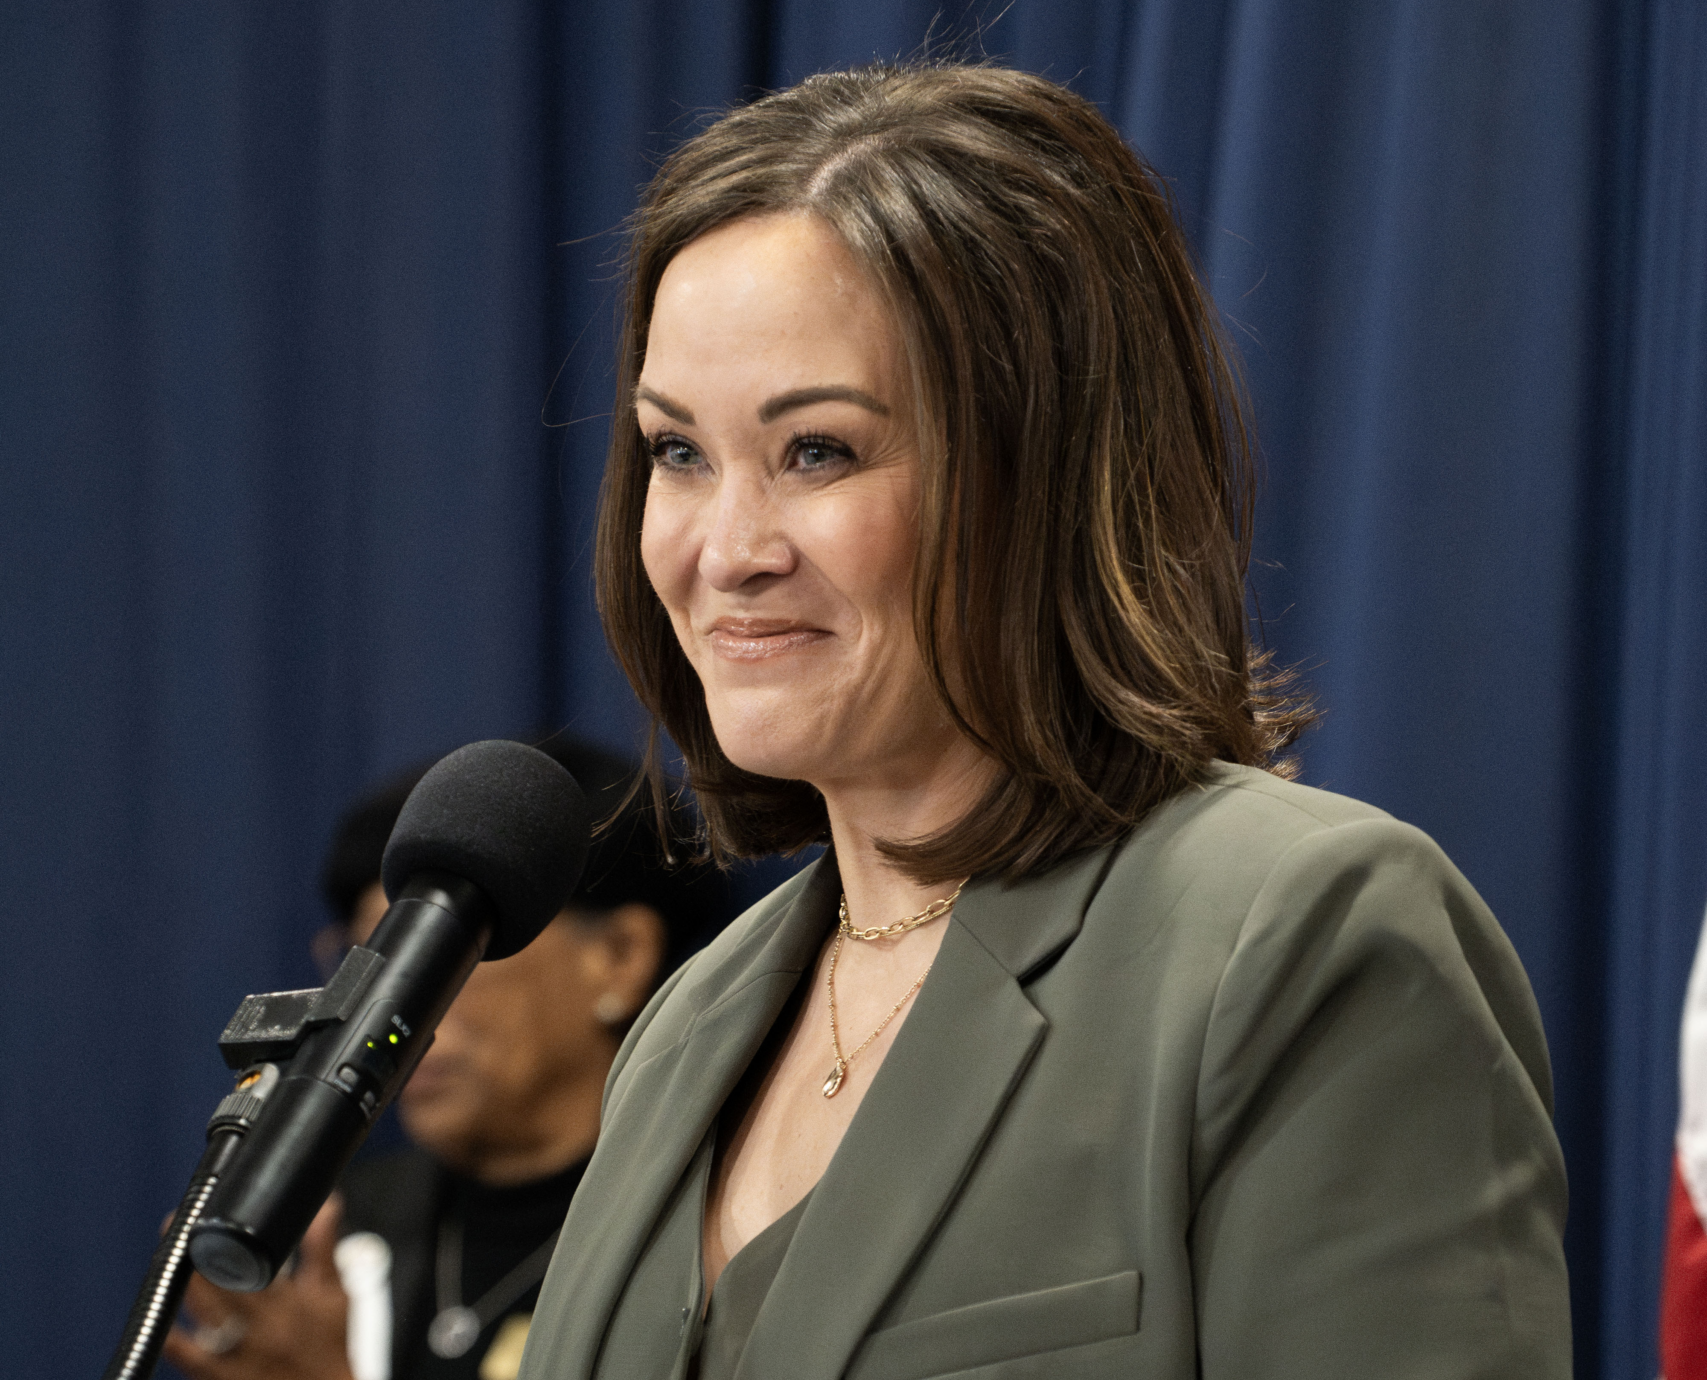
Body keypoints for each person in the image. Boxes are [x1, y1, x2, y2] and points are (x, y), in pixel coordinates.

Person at [518, 64, 1572, 1380]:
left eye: (817, 451)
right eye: (678, 452)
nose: (725, 551)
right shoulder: (686, 1031)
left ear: (1045, 472)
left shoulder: (1296, 938)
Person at [165, 734, 734, 1380]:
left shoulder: (721, 1233)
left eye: (440, 959)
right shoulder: (329, 1240)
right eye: (372, 963)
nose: (401, 1013)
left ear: (619, 956)